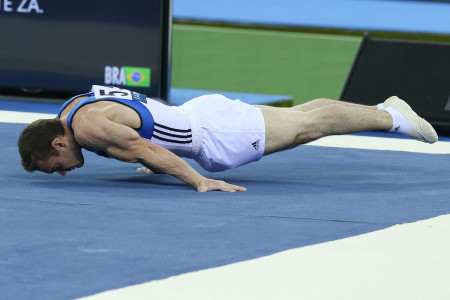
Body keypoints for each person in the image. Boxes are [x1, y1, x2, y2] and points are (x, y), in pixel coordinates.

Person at [18, 85, 438, 192]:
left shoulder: (88, 129)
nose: (60, 173)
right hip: (200, 120)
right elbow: (141, 128)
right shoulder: (71, 110)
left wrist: (198, 180)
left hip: (214, 135)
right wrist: (156, 154)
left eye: (52, 166)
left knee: (308, 127)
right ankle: (387, 109)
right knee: (300, 118)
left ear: (57, 143)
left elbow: (142, 145)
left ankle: (392, 118)